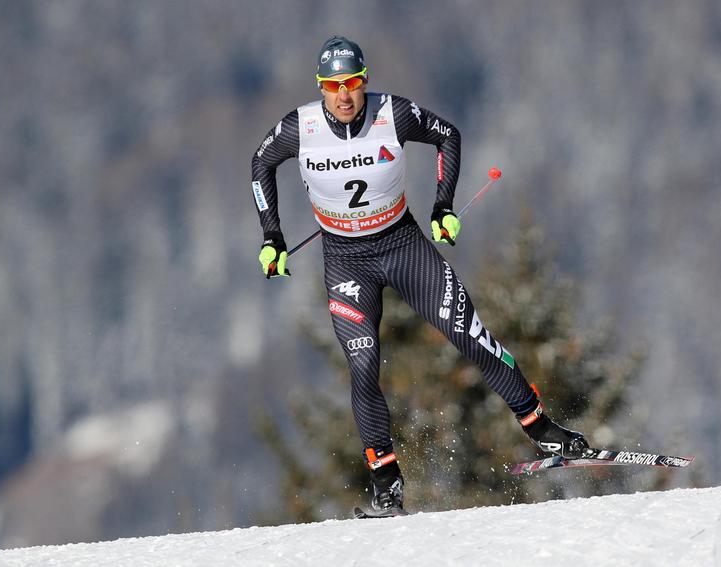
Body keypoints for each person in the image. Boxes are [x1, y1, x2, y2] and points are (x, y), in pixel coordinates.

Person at [251, 36, 589, 516]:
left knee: (468, 335)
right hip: (346, 261)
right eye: (332, 86)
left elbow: (447, 136)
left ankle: (543, 430)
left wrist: (443, 207)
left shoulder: (392, 112)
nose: (344, 96)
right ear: (320, 88)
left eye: (351, 84)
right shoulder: (298, 128)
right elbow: (260, 165)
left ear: (364, 81)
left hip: (403, 246)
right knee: (364, 366)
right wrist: (271, 237)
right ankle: (386, 483)